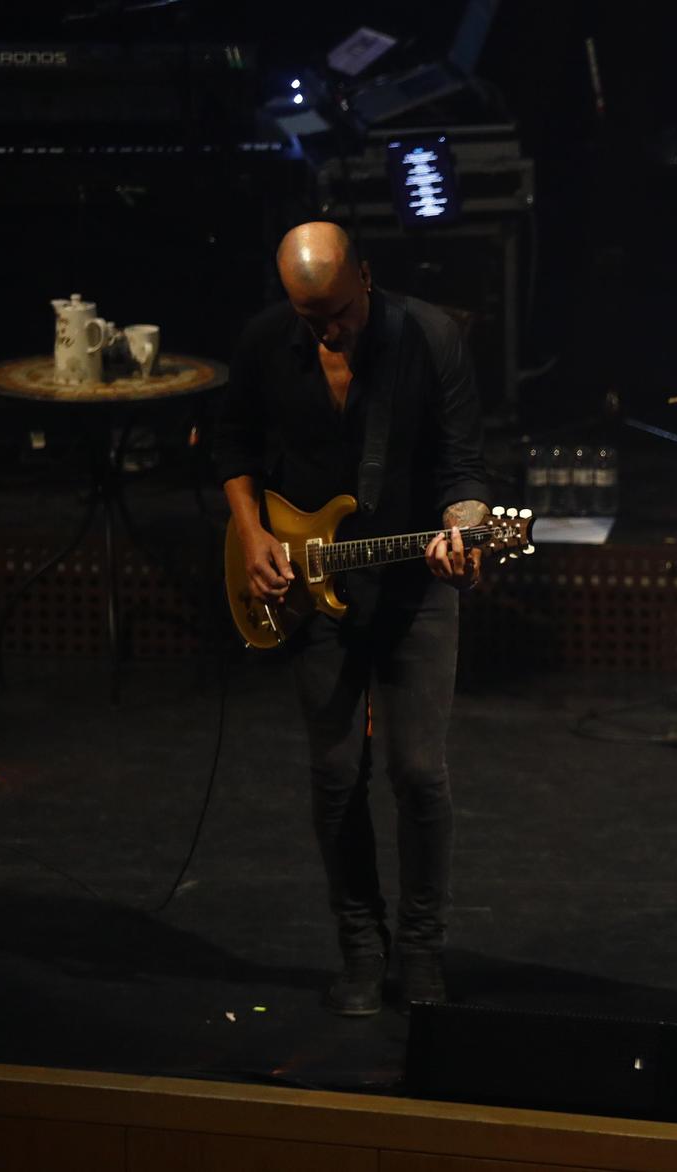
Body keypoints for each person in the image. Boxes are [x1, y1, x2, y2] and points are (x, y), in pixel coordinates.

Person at [213, 222, 490, 1016]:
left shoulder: (430, 337)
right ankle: (361, 949)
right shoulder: (270, 340)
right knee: (336, 776)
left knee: (418, 775)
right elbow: (230, 444)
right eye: (311, 318)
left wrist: (463, 528)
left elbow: (465, 465)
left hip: (413, 587)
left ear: (365, 277)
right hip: (307, 585)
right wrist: (253, 533)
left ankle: (424, 949)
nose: (327, 330)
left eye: (335, 312)